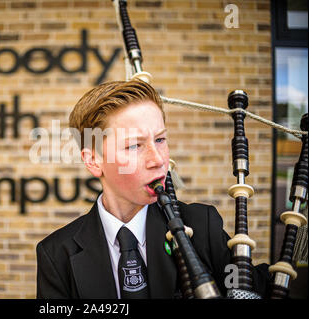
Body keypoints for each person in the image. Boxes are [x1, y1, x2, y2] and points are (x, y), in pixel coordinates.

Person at [36, 80, 270, 299]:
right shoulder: (56, 254)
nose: (158, 160)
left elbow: (246, 282)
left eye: (160, 140)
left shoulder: (202, 226)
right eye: (134, 145)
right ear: (94, 161)